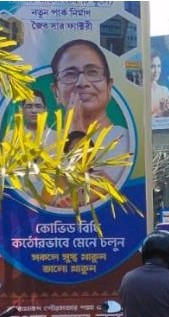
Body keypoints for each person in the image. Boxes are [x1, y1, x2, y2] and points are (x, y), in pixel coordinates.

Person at [48, 39, 132, 201]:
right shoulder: (45, 144)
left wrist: (77, 134)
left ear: (109, 87)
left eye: (92, 72)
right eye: (70, 74)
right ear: (56, 91)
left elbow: (118, 200)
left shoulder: (124, 142)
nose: (82, 83)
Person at [150, 52, 169, 118]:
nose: (156, 71)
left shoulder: (164, 90)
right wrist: (160, 112)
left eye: (159, 66)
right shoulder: (140, 91)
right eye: (152, 66)